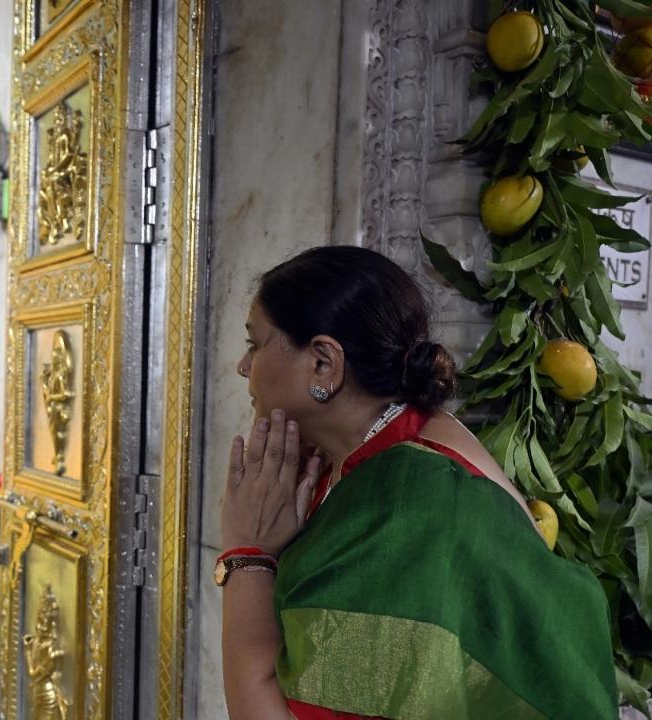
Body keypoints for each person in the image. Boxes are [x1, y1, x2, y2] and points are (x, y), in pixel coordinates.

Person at [218, 246, 616, 719]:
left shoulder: (406, 505)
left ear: (323, 363)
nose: (244, 368)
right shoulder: (380, 450)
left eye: (256, 344)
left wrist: (247, 555)